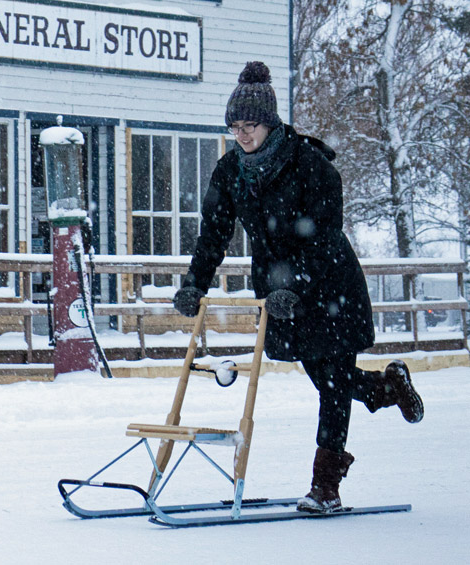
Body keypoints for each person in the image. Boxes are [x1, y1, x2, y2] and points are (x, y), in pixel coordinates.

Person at [173, 61, 424, 514]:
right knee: (327, 378)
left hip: (329, 286)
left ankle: (325, 486)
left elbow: (325, 236)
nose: (242, 136)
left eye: (249, 126)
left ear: (269, 122)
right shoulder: (231, 172)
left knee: (332, 385)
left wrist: (301, 287)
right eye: (234, 128)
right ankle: (387, 387)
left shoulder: (310, 164)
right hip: (278, 291)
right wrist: (194, 284)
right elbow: (213, 233)